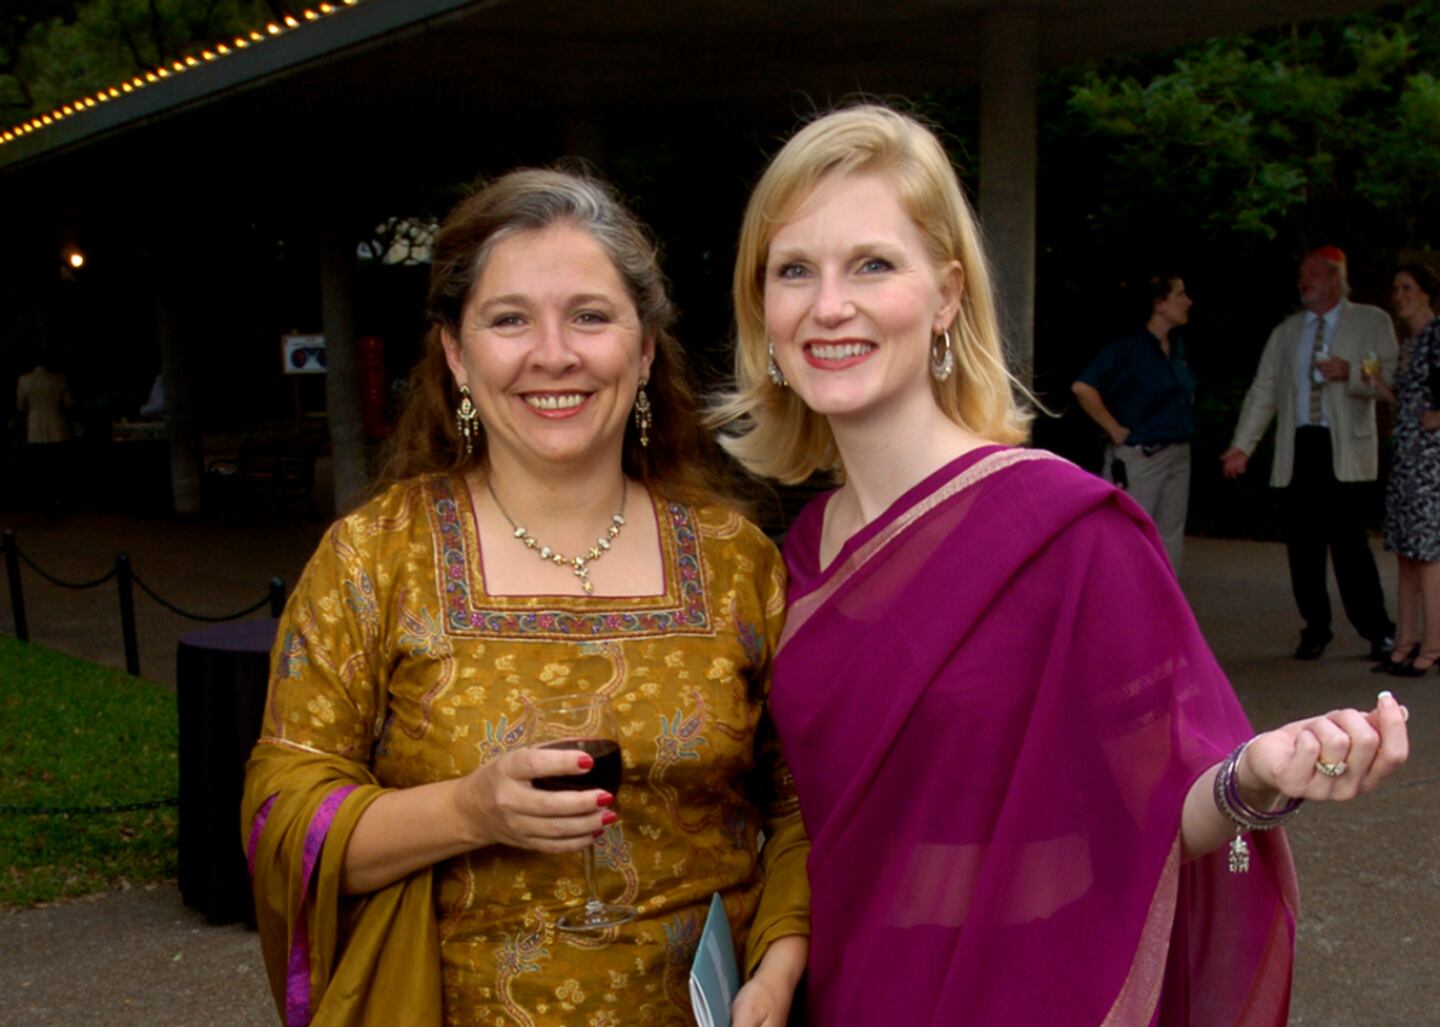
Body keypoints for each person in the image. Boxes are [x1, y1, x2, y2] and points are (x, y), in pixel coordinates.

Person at [713, 104, 1409, 1025]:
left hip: (1018, 994)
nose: (828, 304)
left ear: (947, 295)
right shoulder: (794, 559)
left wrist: (1255, 774)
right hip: (845, 994)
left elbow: (1153, 810)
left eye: (872, 264)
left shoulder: (1068, 532)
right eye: (794, 269)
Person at [242, 169, 809, 1026]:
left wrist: (777, 968)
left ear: (645, 350)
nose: (554, 353)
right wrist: (467, 809)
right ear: (457, 354)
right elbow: (283, 818)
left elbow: (804, 808)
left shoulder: (739, 563)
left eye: (590, 316)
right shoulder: (375, 558)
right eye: (510, 320)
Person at [1220, 247, 1397, 661]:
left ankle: (1377, 630)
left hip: (1344, 447)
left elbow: (1389, 379)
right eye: (1301, 274)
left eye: (1313, 274)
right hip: (1300, 445)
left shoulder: (1371, 321)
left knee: (1350, 545)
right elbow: (1264, 390)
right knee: (1303, 546)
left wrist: (1350, 373)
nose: (1304, 281)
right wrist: (1242, 446)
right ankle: (1315, 628)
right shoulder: (1287, 332)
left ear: (1336, 278)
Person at [1072, 272, 1196, 568]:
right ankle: (1118, 594)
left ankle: (1163, 596)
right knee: (1126, 532)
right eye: (1180, 295)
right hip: (1142, 455)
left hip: (1177, 453)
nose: (1188, 302)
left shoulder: (1177, 349)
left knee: (1169, 537)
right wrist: (1114, 429)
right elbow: (1083, 387)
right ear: (1159, 303)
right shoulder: (1129, 349)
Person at [1365, 263, 1440, 675]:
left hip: (1431, 458)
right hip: (1408, 456)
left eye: (1408, 288)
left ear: (1427, 292)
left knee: (1428, 554)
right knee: (1407, 553)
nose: (1399, 296)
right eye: (1395, 289)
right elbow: (1410, 398)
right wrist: (1380, 388)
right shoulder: (1410, 342)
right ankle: (1405, 641)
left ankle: (1433, 646)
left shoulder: (1437, 335)